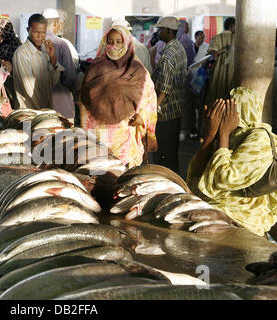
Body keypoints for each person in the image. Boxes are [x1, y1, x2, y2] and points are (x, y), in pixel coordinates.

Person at [187, 87, 277, 237]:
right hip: (216, 210)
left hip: (243, 218)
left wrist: (224, 133)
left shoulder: (259, 138)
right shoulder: (232, 136)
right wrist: (210, 134)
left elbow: (225, 178)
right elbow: (194, 180)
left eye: (229, 109)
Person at [79, 22, 158, 167]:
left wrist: (143, 116)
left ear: (127, 42)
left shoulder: (138, 69)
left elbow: (150, 99)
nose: (114, 46)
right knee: (101, 178)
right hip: (99, 136)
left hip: (126, 137)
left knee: (124, 180)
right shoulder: (96, 68)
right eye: (110, 42)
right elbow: (84, 101)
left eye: (118, 42)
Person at [152, 17, 187, 174]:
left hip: (165, 112)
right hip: (177, 108)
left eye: (161, 30)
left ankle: (165, 182)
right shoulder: (179, 48)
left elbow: (164, 90)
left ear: (168, 31)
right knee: (172, 152)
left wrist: (153, 109)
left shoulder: (167, 56)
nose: (158, 33)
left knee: (163, 154)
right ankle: (175, 180)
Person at [12, 14, 64, 110]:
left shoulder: (45, 51)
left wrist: (52, 58)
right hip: (28, 112)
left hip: (46, 110)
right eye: (36, 32)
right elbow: (30, 90)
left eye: (43, 33)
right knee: (26, 126)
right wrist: (42, 113)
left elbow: (54, 82)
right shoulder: (22, 54)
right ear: (28, 30)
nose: (40, 36)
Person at [43, 8, 79, 122]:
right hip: (60, 106)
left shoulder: (31, 43)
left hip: (36, 107)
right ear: (56, 23)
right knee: (63, 139)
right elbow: (70, 78)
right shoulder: (61, 44)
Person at [0, 18, 21, 109]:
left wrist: (11, 69)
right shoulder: (2, 45)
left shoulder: (15, 46)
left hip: (12, 85)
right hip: (2, 84)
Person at [204, 17, 236, 109]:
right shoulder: (237, 39)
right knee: (229, 97)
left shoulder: (216, 38)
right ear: (231, 27)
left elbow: (214, 57)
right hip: (231, 73)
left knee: (215, 96)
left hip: (217, 73)